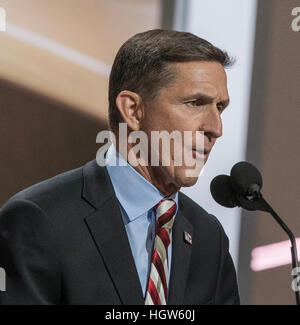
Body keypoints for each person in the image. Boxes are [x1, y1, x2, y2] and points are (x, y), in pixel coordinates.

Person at [0, 29, 240, 305]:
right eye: (195, 103)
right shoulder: (41, 219)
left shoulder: (208, 237)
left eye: (220, 107)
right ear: (133, 110)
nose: (215, 128)